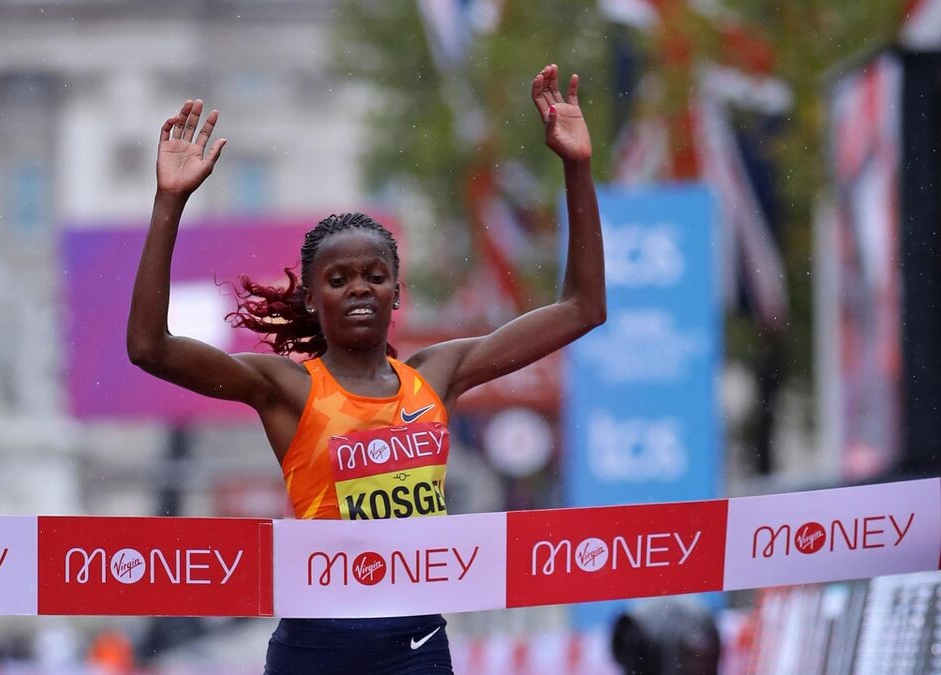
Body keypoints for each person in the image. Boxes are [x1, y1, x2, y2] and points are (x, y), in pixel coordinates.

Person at [127, 63, 605, 675]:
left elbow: (583, 308)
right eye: (339, 279)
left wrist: (577, 166)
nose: (359, 288)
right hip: (315, 648)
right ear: (310, 299)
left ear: (396, 292)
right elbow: (149, 347)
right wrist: (169, 202)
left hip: (415, 646)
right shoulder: (287, 388)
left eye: (375, 277)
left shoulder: (438, 375)